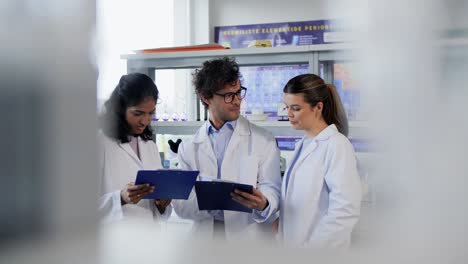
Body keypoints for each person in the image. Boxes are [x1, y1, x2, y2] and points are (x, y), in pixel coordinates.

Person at [172, 57, 281, 241]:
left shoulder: (263, 140)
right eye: (229, 95)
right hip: (205, 240)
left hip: (248, 239)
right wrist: (211, 203)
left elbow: (272, 189)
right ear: (206, 97)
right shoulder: (188, 147)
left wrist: (263, 203)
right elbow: (180, 205)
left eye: (239, 92)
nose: (237, 101)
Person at [279, 73, 361, 249]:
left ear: (318, 107)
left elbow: (344, 210)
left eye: (296, 108)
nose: (289, 114)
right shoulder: (303, 144)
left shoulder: (337, 145)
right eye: (286, 107)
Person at [98, 73, 171, 223]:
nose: (145, 121)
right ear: (120, 109)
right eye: (138, 113)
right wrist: (120, 198)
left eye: (151, 113)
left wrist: (162, 204)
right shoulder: (100, 143)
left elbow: (155, 210)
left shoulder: (149, 145)